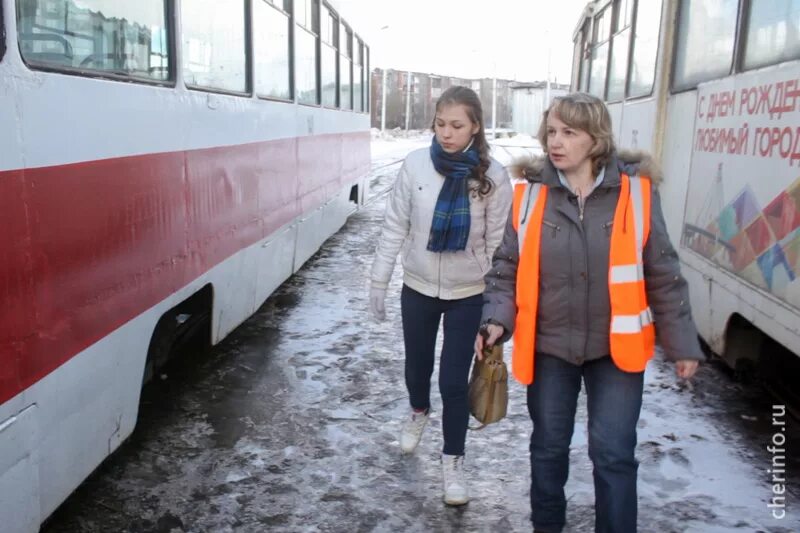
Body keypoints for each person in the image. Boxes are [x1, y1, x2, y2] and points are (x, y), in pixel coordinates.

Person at [474, 92, 704, 532]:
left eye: (569, 133)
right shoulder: (530, 197)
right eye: (552, 132)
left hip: (614, 351)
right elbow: (506, 269)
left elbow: (663, 271)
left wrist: (681, 342)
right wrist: (495, 320)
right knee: (547, 450)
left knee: (614, 454)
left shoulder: (636, 195)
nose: (555, 142)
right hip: (550, 349)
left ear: (595, 140)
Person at [369, 85, 512, 506]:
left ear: (475, 127)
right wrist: (379, 280)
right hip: (417, 287)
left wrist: (493, 306)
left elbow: (499, 246)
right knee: (417, 370)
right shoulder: (415, 166)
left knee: (452, 383)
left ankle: (453, 461)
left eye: (456, 126)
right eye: (440, 124)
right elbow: (396, 226)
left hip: (469, 293)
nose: (446, 134)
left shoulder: (492, 178)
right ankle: (417, 411)